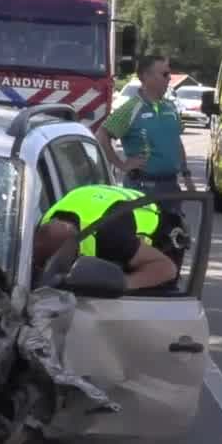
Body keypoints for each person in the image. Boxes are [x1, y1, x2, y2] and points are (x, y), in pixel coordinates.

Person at [31, 184, 182, 293]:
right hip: (103, 204)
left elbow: (167, 268)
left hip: (163, 235)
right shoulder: (45, 224)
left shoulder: (112, 237)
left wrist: (122, 283)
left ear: (74, 253)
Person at [100, 55, 186, 196]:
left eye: (169, 73)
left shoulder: (170, 106)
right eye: (165, 74)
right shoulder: (131, 108)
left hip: (171, 186)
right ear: (146, 76)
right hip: (142, 187)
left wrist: (186, 174)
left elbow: (177, 141)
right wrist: (121, 165)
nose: (169, 78)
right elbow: (102, 135)